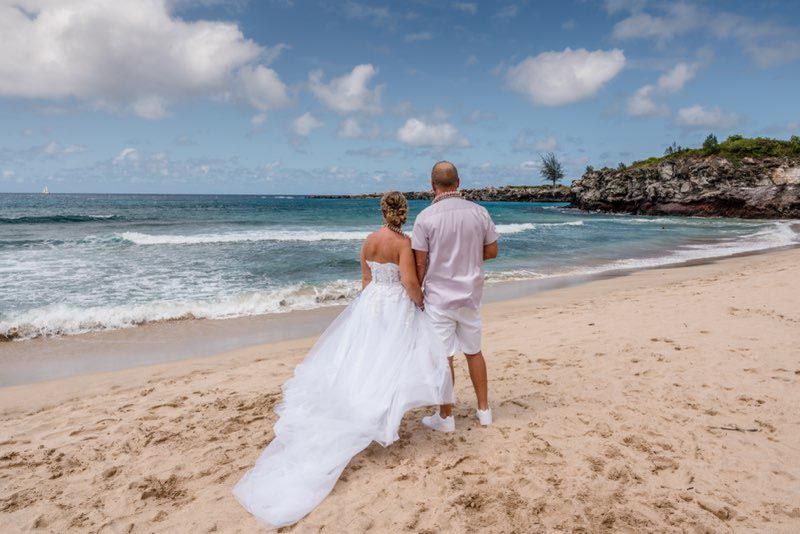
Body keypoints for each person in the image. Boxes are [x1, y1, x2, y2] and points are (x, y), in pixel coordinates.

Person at [233, 191, 453, 528]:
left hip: (370, 304)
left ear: (382, 211)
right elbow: (409, 281)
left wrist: (368, 307)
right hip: (394, 305)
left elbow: (365, 280)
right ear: (404, 212)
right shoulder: (403, 243)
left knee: (364, 359)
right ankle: (379, 416)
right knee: (390, 362)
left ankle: (362, 407)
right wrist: (420, 303)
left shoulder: (368, 241)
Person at [412, 161, 499, 432]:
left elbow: (420, 264)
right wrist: (470, 256)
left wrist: (416, 292)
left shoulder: (425, 218)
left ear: (432, 185)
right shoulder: (479, 212)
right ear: (458, 183)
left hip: (439, 297)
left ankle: (446, 416)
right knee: (474, 352)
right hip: (471, 294)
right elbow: (492, 250)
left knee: (444, 357)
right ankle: (484, 410)